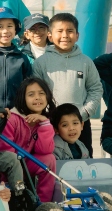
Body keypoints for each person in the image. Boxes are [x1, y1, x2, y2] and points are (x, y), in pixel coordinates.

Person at [32, 13, 103, 154]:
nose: (65, 35)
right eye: (60, 31)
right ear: (50, 36)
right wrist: (47, 118)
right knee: (52, 161)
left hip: (80, 124)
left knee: (84, 162)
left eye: (70, 31)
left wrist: (84, 114)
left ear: (77, 35)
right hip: (50, 125)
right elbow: (36, 94)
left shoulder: (86, 62)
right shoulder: (41, 62)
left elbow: (95, 89)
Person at [0, 77, 56, 204]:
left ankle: (42, 205)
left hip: (24, 164)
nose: (37, 98)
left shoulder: (43, 121)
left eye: (41, 93)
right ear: (22, 98)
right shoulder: (12, 119)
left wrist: (45, 123)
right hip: (5, 170)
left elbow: (44, 150)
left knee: (49, 159)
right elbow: (4, 153)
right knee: (11, 159)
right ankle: (17, 199)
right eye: (31, 94)